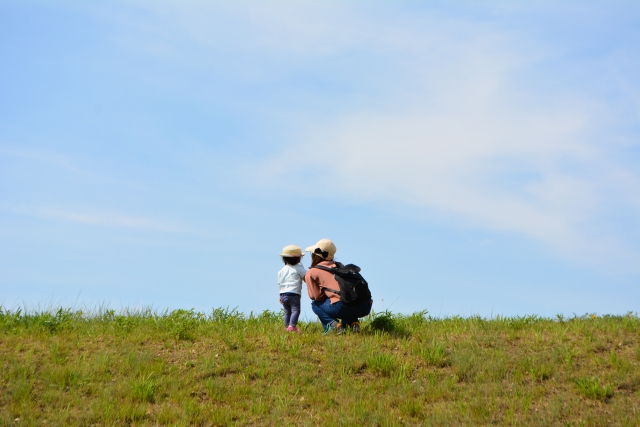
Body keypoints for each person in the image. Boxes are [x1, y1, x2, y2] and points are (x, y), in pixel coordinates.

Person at [304, 238, 372, 334]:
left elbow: (316, 297)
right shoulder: (340, 265)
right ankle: (353, 322)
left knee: (315, 304)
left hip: (342, 308)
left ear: (315, 255)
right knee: (348, 298)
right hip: (364, 306)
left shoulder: (312, 272)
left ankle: (333, 326)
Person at [278, 244, 307, 333]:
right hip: (294, 294)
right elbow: (306, 277)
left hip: (283, 294)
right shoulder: (299, 268)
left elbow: (280, 283)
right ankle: (292, 326)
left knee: (287, 312)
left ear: (284, 259)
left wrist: (280, 295)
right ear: (299, 259)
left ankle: (287, 327)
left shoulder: (282, 270)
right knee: (295, 310)